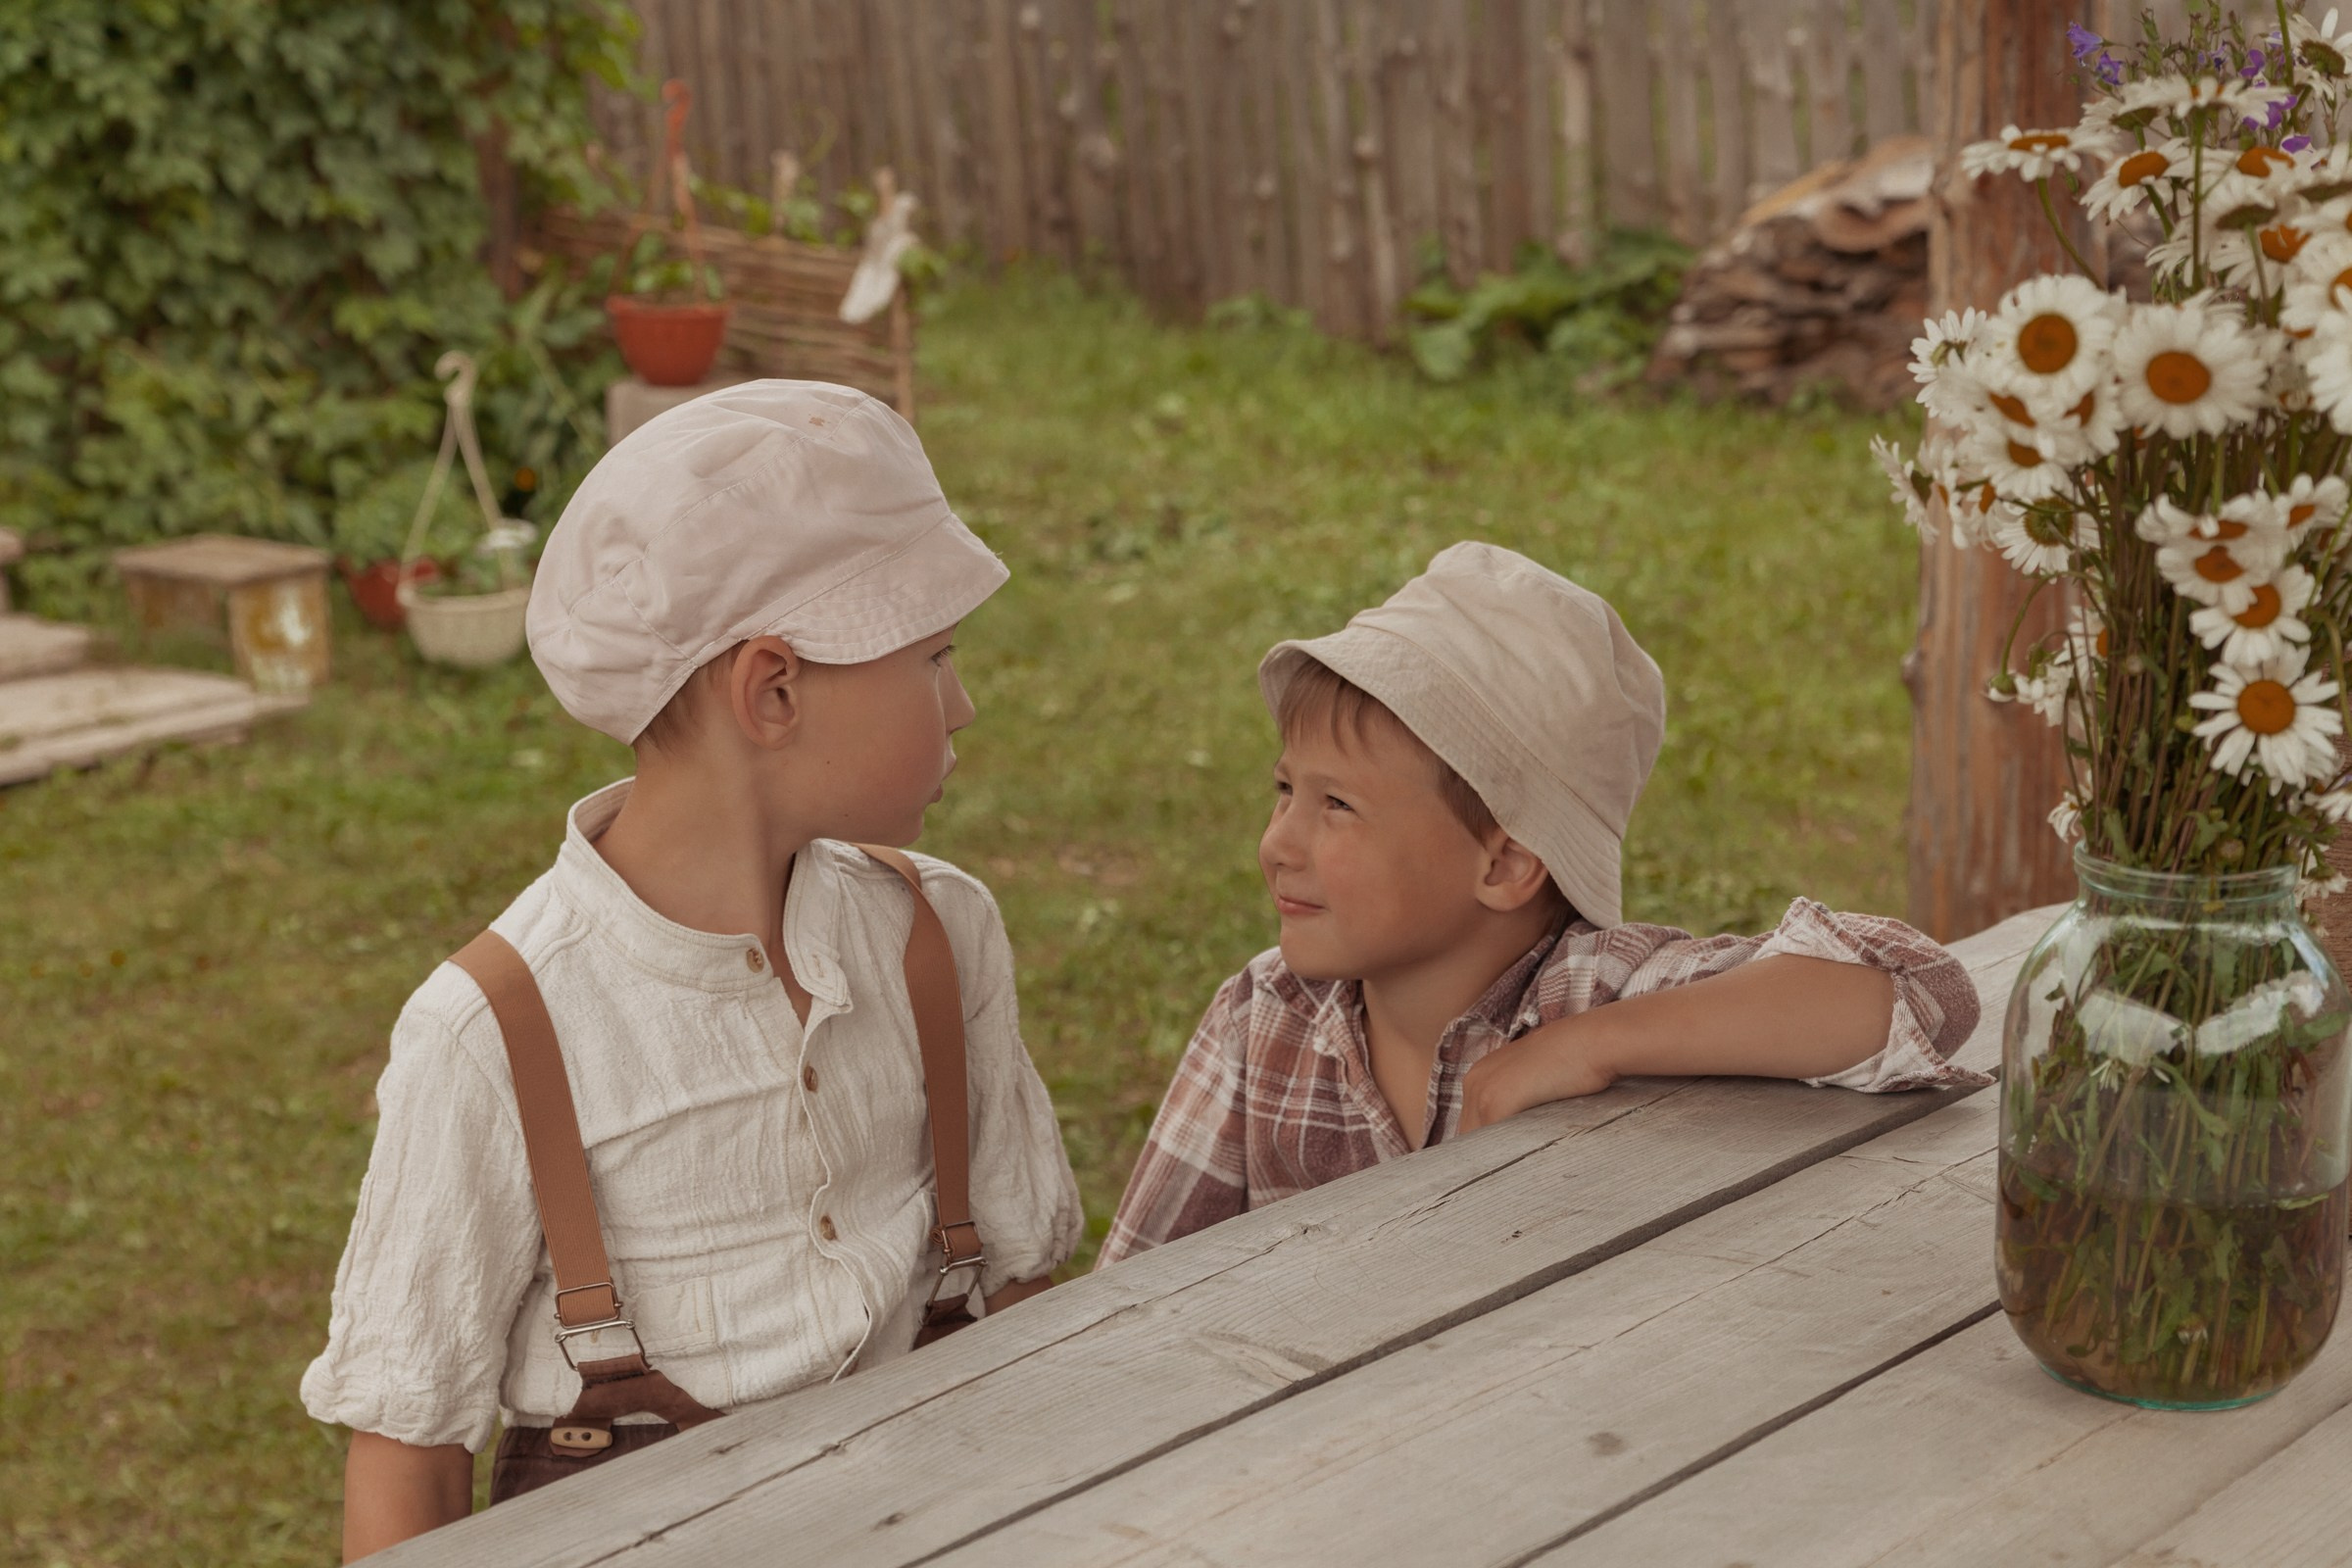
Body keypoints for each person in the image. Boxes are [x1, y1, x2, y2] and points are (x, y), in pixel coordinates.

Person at [303, 381, 1081, 1558]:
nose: (963, 705)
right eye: (935, 658)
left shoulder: (938, 937)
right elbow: (408, 1459)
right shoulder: (498, 1032)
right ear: (774, 690)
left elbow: (1018, 1304)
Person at [1099, 541, 1983, 1266]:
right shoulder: (1264, 1021)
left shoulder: (1590, 995)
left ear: (1507, 863)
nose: (1278, 843)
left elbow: (1920, 991)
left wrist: (1588, 1045)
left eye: (1336, 806)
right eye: (1286, 789)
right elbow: (1123, 1305)